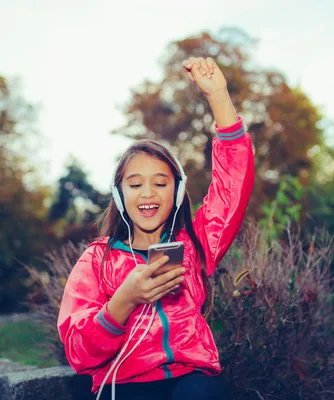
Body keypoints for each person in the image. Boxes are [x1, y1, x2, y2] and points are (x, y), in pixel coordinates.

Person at [57, 56, 255, 400]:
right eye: (135, 185)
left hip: (191, 379)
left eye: (160, 183)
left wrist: (218, 96)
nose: (148, 192)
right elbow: (79, 352)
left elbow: (233, 183)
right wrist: (123, 300)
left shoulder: (195, 243)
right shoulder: (96, 261)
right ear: (120, 196)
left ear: (177, 192)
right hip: (124, 386)